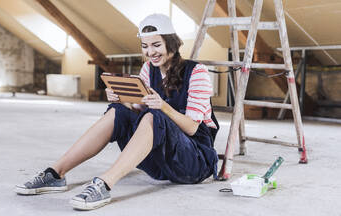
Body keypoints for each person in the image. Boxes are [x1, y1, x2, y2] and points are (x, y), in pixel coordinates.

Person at [14, 14, 219, 211]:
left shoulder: (196, 72)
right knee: (120, 111)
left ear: (172, 43)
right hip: (161, 162)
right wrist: (123, 99)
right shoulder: (149, 69)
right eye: (145, 46)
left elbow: (192, 128)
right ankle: (56, 173)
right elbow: (141, 109)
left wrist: (162, 106)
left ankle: (105, 183)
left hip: (194, 162)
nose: (150, 52)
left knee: (155, 115)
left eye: (157, 45)